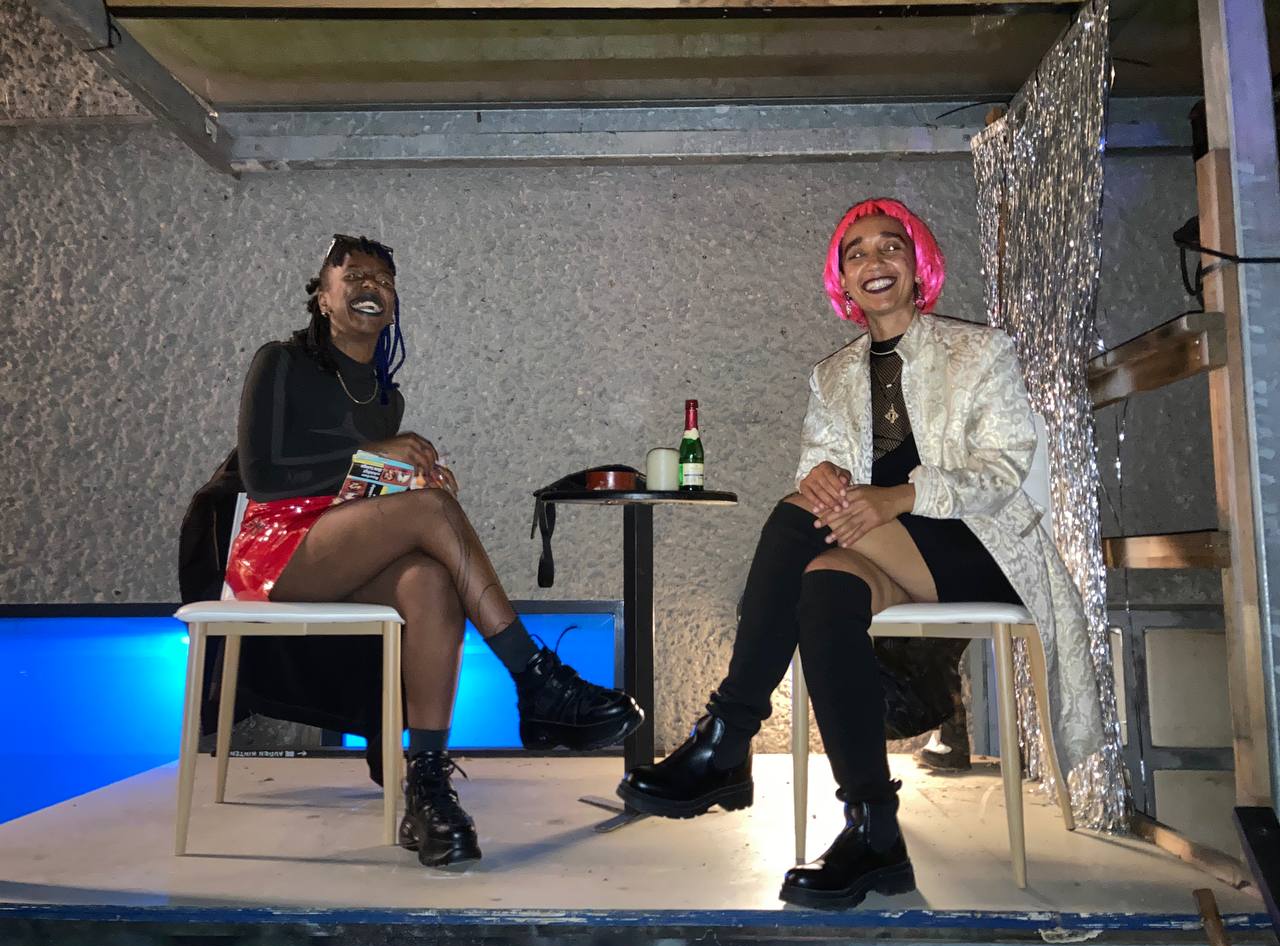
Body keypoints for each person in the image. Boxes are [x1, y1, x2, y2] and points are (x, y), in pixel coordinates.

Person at [617, 199, 1103, 909]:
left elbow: (1003, 470)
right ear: (842, 281)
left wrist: (897, 498)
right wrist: (821, 476)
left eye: (891, 247)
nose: (875, 262)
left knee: (797, 519)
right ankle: (874, 831)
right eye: (857, 253)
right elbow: (820, 468)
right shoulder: (833, 376)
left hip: (984, 550)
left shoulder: (979, 352)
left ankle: (728, 734)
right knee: (824, 584)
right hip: (889, 553)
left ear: (919, 266)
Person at [224, 234, 644, 868]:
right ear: (322, 298)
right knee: (430, 511)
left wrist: (405, 478)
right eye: (353, 276)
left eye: (383, 281)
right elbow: (264, 477)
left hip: (340, 546)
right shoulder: (280, 362)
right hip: (275, 553)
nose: (370, 287)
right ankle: (536, 679)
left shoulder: (385, 396)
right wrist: (376, 459)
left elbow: (357, 488)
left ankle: (426, 786)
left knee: (430, 579)